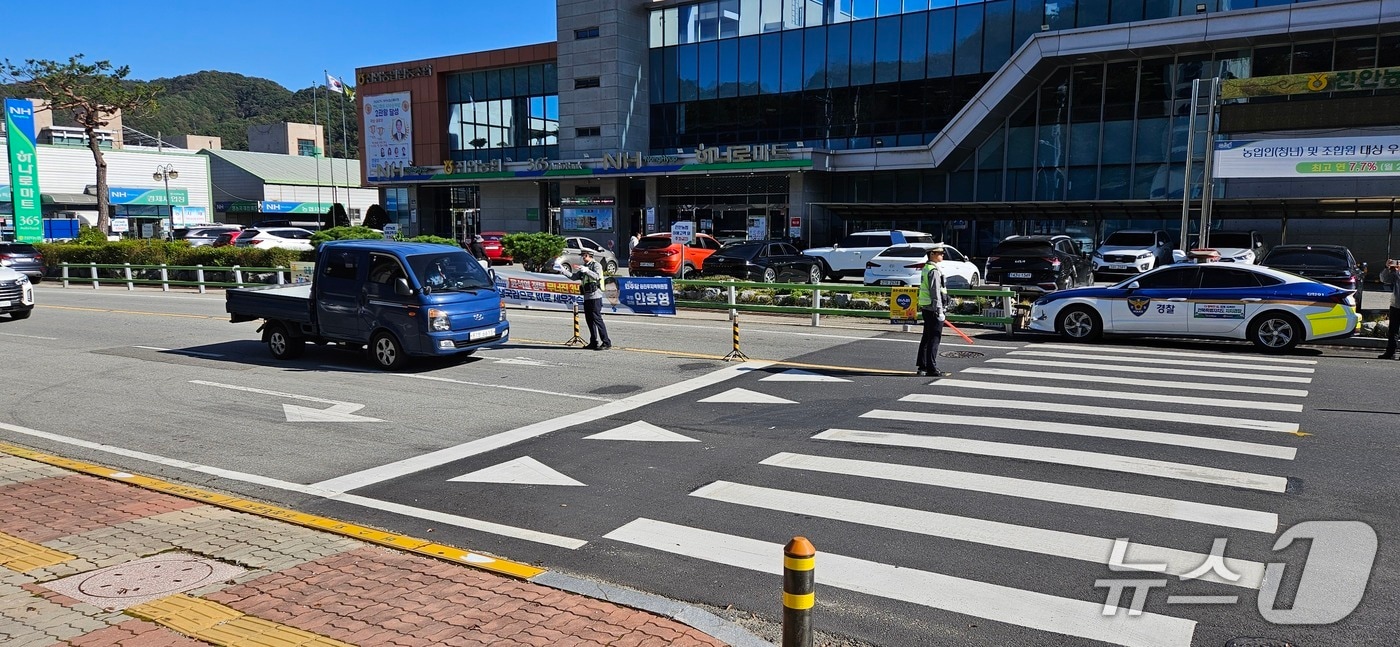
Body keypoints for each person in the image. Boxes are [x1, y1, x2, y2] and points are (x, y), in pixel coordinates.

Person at [916, 244, 952, 377]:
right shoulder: (934, 270)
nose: (942, 255)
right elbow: (935, 291)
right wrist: (939, 310)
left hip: (927, 307)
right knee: (934, 338)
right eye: (940, 253)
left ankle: (923, 365)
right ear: (932, 254)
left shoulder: (926, 268)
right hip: (934, 308)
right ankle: (931, 368)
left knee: (927, 337)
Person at [566, 248, 612, 350]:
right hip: (587, 296)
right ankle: (593, 342)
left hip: (595, 296)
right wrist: (562, 270)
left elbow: (597, 276)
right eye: (582, 255)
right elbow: (574, 277)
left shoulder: (596, 265)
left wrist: (587, 271)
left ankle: (606, 342)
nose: (582, 257)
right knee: (589, 320)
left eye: (584, 255)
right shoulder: (584, 266)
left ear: (589, 255)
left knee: (597, 319)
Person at [1381, 258, 1400, 360]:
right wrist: (1387, 267)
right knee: (1393, 331)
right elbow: (1384, 279)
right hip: (1396, 304)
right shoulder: (1395, 274)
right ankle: (1390, 352)